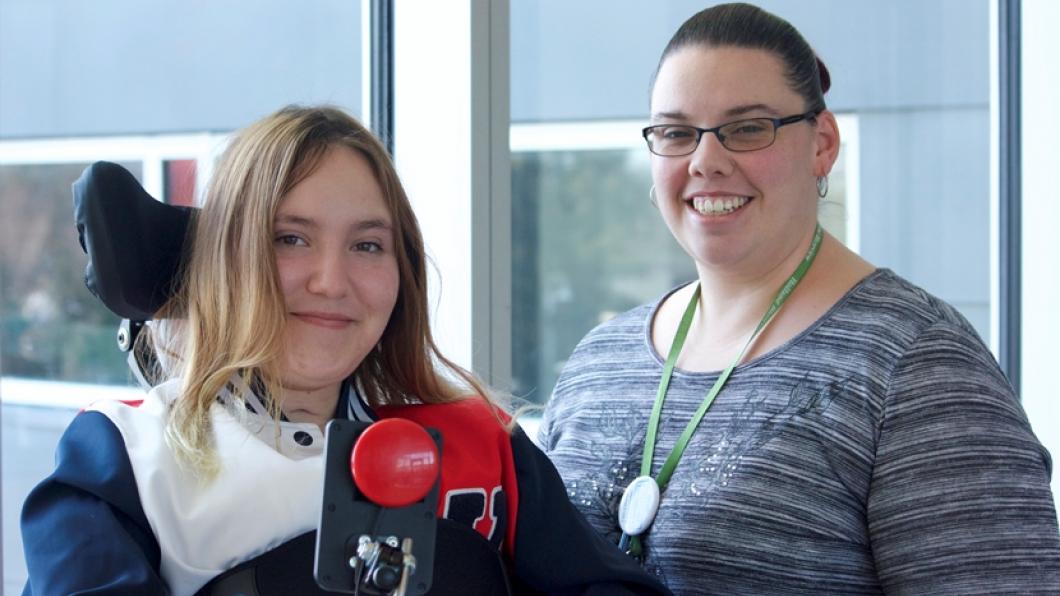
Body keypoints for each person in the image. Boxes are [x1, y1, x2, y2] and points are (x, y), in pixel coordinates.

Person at [20, 106, 671, 596]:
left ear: (400, 276)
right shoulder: (120, 462)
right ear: (224, 258)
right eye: (289, 239)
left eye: (367, 245)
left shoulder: (486, 449)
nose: (331, 281)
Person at [539, 3, 1060, 594]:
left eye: (748, 127)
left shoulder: (915, 363)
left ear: (823, 144)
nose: (706, 161)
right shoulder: (598, 362)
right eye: (677, 133)